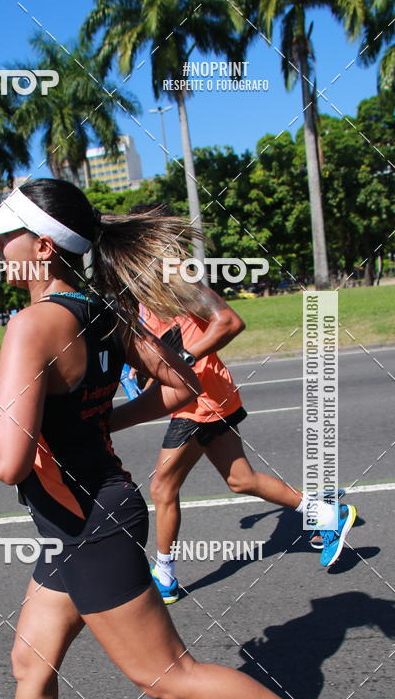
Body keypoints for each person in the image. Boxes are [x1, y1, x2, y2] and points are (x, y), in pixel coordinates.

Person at [0, 180, 367, 699]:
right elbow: (180, 387)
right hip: (77, 519)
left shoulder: (33, 323)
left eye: (8, 235)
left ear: (42, 248)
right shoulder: (102, 310)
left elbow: (7, 463)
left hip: (90, 525)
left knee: (165, 675)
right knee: (31, 660)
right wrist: (96, 418)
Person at [127, 204, 356, 605]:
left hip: (200, 400)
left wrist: (185, 362)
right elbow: (169, 339)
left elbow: (228, 322)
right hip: (209, 394)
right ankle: (327, 515)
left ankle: (164, 577)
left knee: (162, 486)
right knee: (240, 480)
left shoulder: (177, 277)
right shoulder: (150, 286)